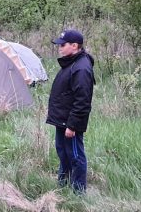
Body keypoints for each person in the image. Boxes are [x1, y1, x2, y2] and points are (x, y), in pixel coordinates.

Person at [46, 29, 95, 195]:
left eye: (63, 45)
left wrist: (72, 125)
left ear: (75, 46)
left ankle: (78, 193)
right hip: (62, 119)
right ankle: (63, 185)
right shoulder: (72, 62)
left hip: (70, 123)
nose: (59, 48)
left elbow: (82, 102)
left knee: (75, 156)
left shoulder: (81, 68)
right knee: (63, 152)